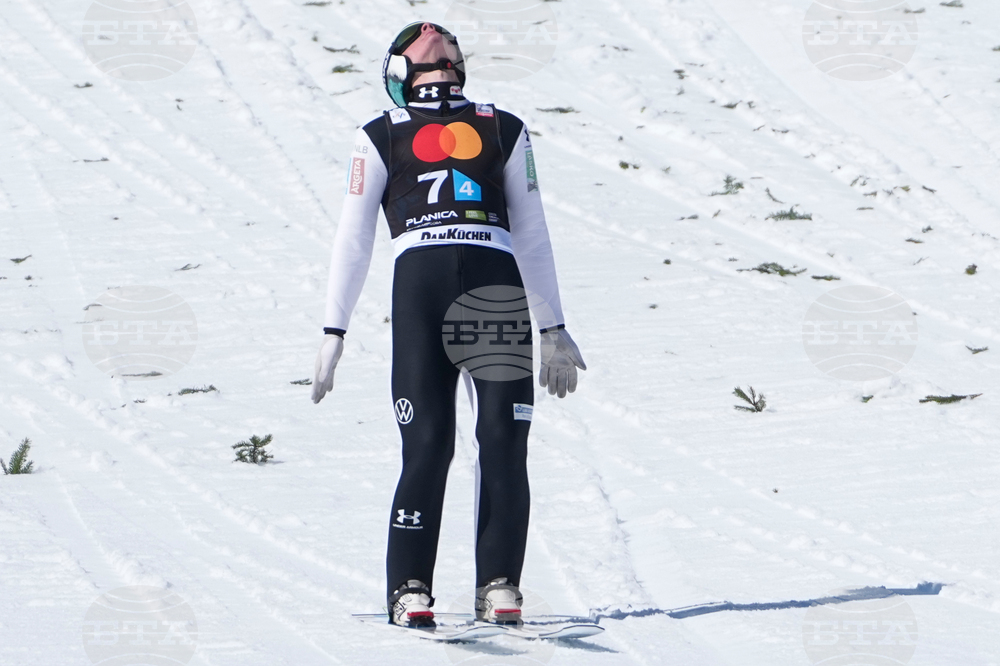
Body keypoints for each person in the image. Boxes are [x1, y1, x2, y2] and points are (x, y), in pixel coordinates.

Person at [310, 21, 586, 628]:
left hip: (422, 290)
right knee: (500, 442)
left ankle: (414, 587)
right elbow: (532, 234)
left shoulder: (381, 133)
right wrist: (552, 325)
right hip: (495, 287)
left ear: (397, 78)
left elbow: (352, 240)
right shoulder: (501, 126)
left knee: (430, 445)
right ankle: (497, 586)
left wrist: (335, 331)